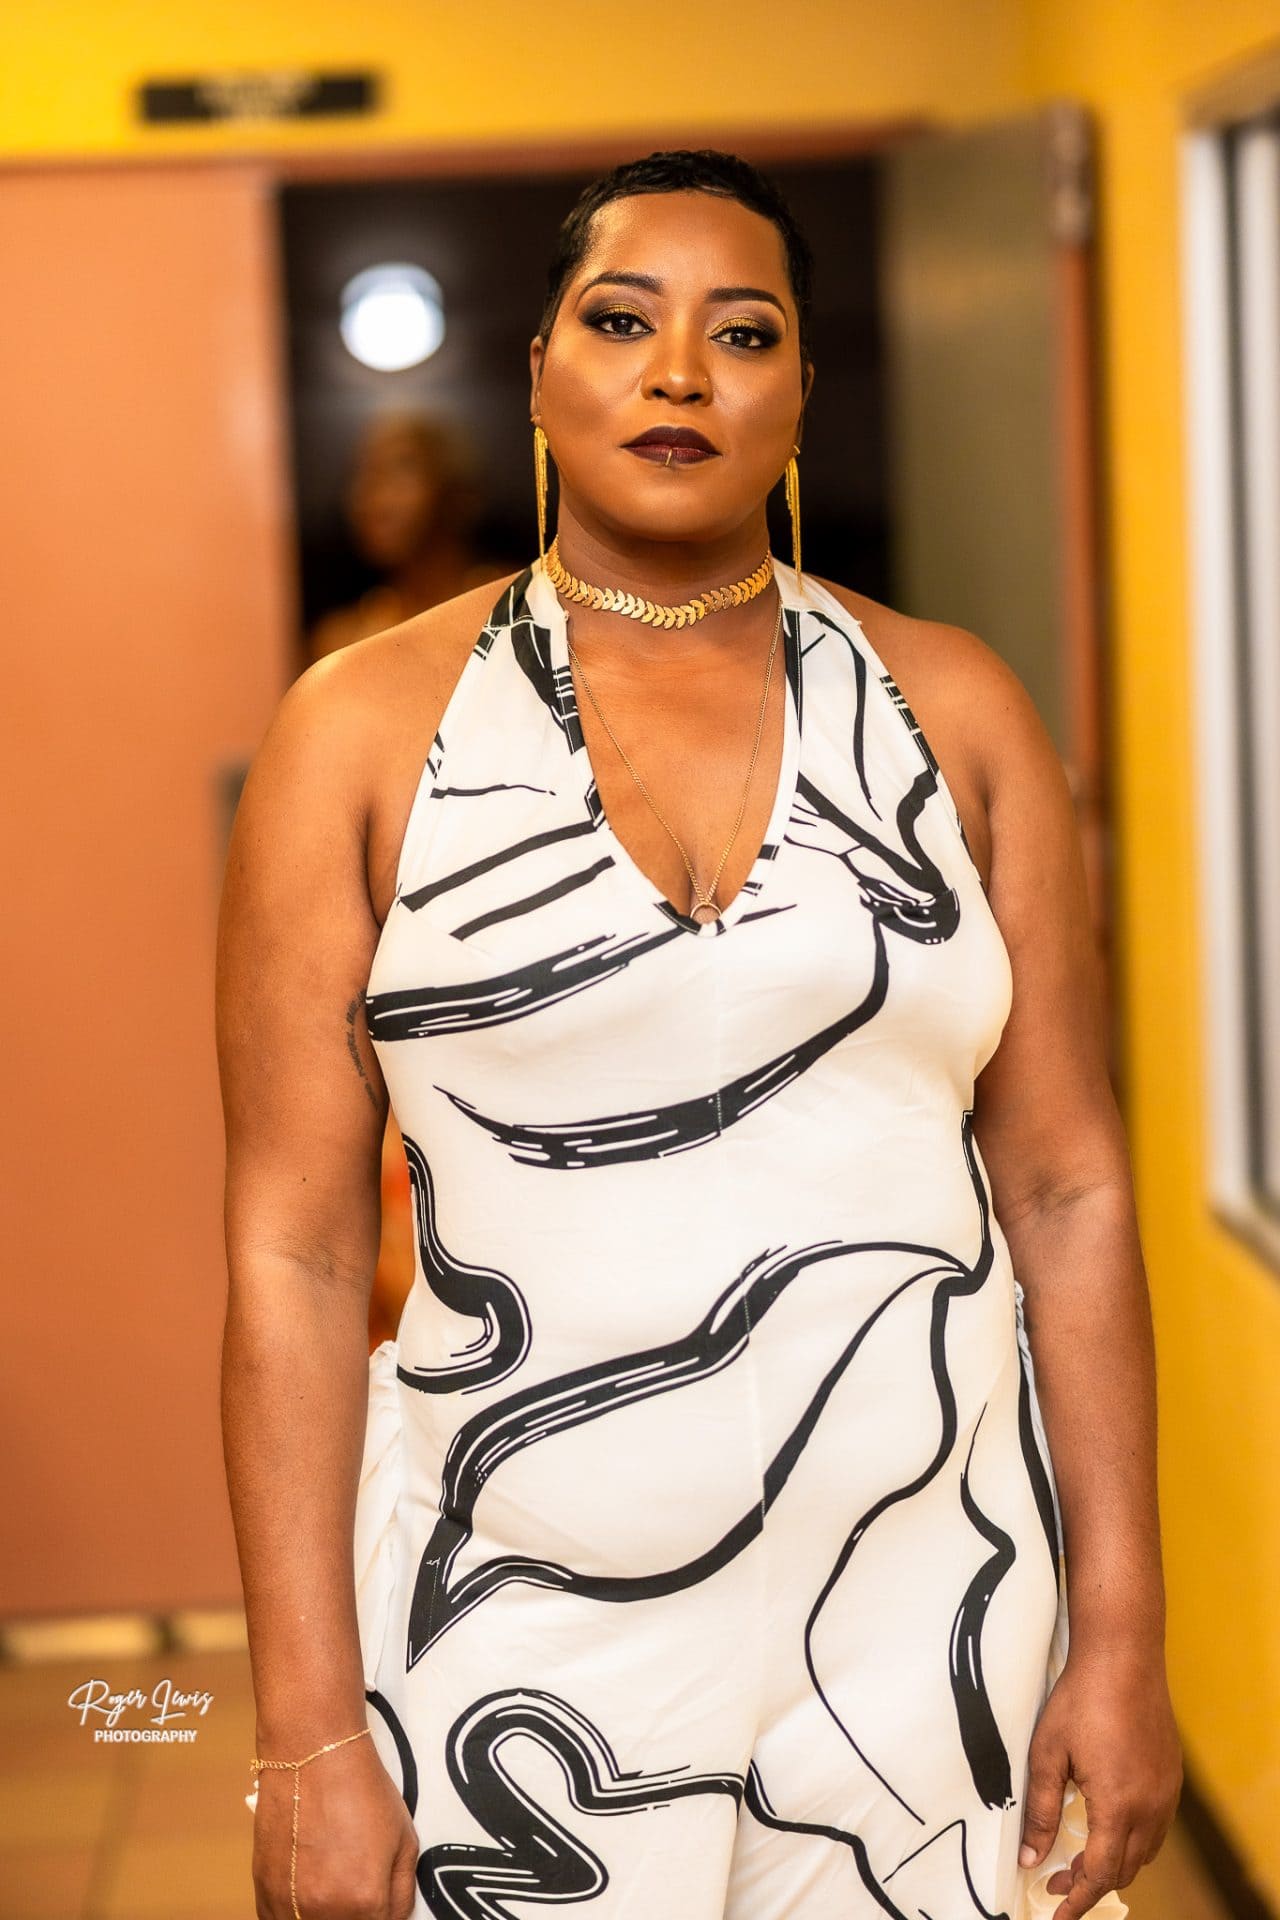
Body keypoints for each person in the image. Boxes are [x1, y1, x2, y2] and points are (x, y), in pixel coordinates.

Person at [217, 148, 1182, 1920]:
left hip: (933, 1622)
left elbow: (1069, 1191)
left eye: (743, 333)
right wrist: (307, 1729)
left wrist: (1122, 1633)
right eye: (621, 322)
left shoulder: (955, 714)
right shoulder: (358, 735)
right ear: (537, 375)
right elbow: (294, 1247)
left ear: (801, 393)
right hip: (516, 1634)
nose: (679, 373)